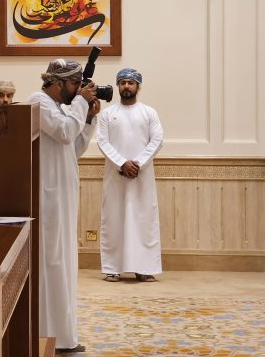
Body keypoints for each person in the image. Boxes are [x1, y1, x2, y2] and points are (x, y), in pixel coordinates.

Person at [27, 59, 100, 354]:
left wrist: (89, 119)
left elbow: (74, 147)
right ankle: (51, 336)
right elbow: (65, 132)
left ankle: (63, 336)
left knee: (65, 265)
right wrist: (81, 103)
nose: (79, 89)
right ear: (58, 83)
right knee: (53, 265)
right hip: (49, 200)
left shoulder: (59, 107)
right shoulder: (38, 102)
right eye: (75, 84)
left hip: (62, 199)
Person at [96, 68, 164, 283]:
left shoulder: (149, 112)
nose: (126, 86)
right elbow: (102, 141)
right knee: (114, 220)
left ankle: (143, 268)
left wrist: (137, 164)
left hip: (142, 178)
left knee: (143, 221)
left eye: (130, 82)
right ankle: (112, 268)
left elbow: (157, 140)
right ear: (118, 86)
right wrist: (122, 163)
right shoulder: (107, 114)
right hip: (115, 177)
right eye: (123, 82)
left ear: (138, 87)